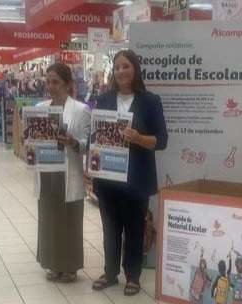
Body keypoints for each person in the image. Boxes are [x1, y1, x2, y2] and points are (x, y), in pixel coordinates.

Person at [91, 50, 168, 296]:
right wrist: (90, 166)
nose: (121, 71)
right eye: (117, 68)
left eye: (126, 66)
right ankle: (110, 272)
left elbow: (162, 141)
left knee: (135, 228)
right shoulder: (103, 100)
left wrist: (138, 138)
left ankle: (133, 276)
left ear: (135, 69)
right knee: (110, 228)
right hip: (108, 178)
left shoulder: (150, 101)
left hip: (137, 179)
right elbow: (95, 137)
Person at [35, 63, 90, 283]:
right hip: (47, 172)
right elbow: (34, 139)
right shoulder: (40, 107)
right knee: (49, 219)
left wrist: (73, 142)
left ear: (68, 85)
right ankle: (53, 263)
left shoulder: (81, 110)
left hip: (69, 172)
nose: (51, 86)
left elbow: (87, 144)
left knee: (70, 220)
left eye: (55, 82)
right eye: (48, 81)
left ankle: (70, 266)